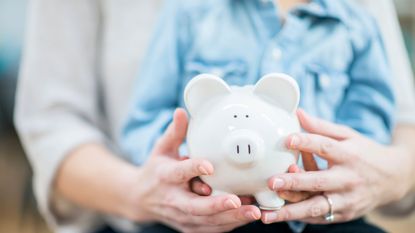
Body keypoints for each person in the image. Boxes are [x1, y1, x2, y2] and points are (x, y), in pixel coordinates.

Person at [14, 1, 415, 233]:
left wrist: (354, 169)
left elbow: (391, 119)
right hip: (169, 221)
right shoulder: (189, 15)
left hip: (328, 222)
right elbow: (57, 123)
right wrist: (170, 175)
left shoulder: (355, 18)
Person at [121, 0, 394, 232]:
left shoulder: (355, 24)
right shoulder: (189, 11)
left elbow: (369, 128)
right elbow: (147, 119)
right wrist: (191, 167)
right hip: (200, 217)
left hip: (320, 216)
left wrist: (326, 175)